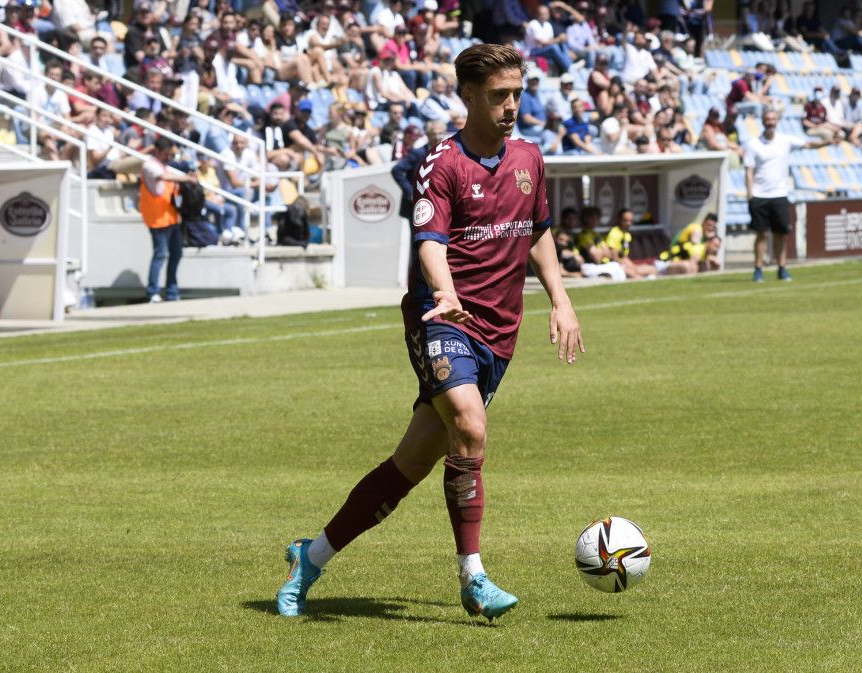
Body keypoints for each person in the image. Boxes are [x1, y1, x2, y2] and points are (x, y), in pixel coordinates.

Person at [276, 43, 584, 622]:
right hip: (440, 319)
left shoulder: (529, 158)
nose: (512, 105)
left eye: (518, 93)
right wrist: (444, 292)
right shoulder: (440, 163)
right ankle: (474, 577)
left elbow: (538, 232)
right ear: (468, 96)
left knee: (410, 465)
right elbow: (429, 242)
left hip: (499, 331)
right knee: (470, 423)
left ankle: (309, 556)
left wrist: (561, 300)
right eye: (499, 95)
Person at [743, 109, 827, 283]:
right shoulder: (753, 144)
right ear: (763, 121)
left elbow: (808, 145)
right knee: (761, 234)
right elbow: (749, 171)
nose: (770, 122)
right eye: (767, 119)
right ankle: (758, 268)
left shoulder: (785, 141)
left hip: (779, 194)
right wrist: (750, 194)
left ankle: (781, 268)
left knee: (780, 233)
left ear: (777, 121)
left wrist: (828, 142)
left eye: (772, 119)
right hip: (759, 195)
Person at [140, 137, 196, 303]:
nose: (168, 158)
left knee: (176, 254)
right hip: (157, 218)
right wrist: (187, 178)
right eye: (166, 154)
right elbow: (162, 177)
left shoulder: (165, 165)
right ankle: (153, 292)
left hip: (171, 217)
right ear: (157, 151)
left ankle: (172, 291)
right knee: (160, 254)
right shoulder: (149, 165)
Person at [600, 208, 659, 278]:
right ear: (619, 220)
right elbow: (614, 257)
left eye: (630, 221)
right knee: (636, 276)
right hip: (613, 265)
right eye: (625, 221)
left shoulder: (627, 235)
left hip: (624, 263)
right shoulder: (614, 233)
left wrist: (633, 266)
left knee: (653, 270)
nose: (628, 223)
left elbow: (624, 255)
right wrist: (632, 267)